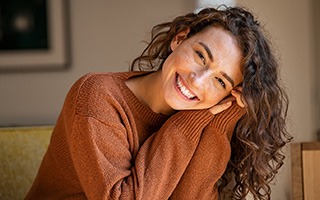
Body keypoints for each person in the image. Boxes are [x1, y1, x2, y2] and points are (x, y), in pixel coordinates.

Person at [25, 6, 291, 200]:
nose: (197, 81)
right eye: (200, 56)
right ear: (179, 39)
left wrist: (221, 121)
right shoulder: (97, 96)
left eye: (221, 82)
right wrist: (190, 120)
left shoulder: (204, 115)